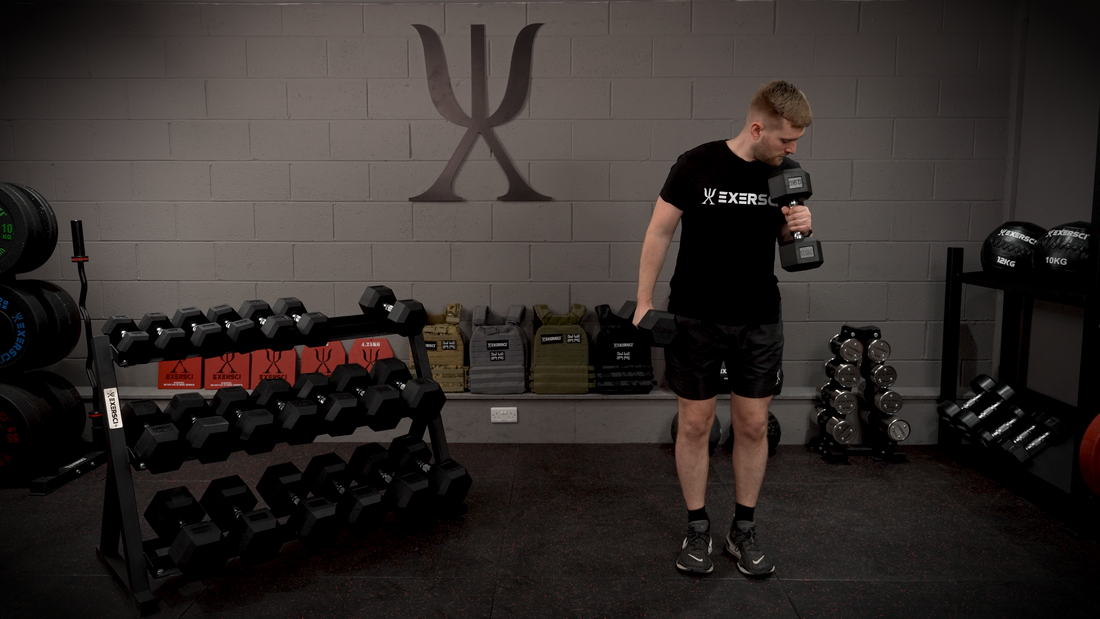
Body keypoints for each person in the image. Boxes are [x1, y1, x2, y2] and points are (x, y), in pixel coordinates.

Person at [633, 80, 813, 577]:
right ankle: (696, 527)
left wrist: (798, 223)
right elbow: (659, 231)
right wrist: (645, 301)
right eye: (785, 140)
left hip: (758, 317)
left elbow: (785, 239)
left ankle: (743, 528)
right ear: (757, 128)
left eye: (797, 141)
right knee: (694, 425)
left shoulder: (787, 175)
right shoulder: (695, 164)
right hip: (696, 316)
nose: (792, 149)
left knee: (753, 426)